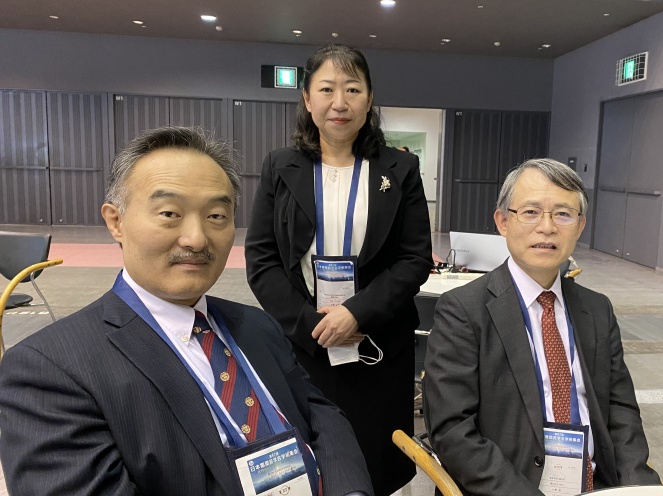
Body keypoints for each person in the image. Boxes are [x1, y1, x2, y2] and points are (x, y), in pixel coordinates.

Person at [0, 126, 374, 496]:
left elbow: (319, 413)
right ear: (116, 221)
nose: (196, 239)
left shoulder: (258, 326)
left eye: (216, 216)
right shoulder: (48, 372)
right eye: (169, 213)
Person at [245, 44, 432, 495]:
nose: (340, 102)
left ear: (369, 99)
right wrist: (312, 325)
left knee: (375, 461)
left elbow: (415, 257)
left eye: (353, 89)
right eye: (327, 89)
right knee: (309, 457)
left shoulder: (400, 168)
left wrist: (357, 314)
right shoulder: (280, 166)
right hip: (303, 344)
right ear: (307, 99)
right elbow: (262, 259)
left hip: (377, 342)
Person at [424, 158, 660, 495]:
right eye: (531, 212)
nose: (547, 227)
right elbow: (452, 431)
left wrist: (638, 488)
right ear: (503, 221)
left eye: (563, 214)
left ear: (580, 226)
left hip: (594, 483)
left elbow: (621, 411)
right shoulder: (463, 310)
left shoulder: (597, 309)